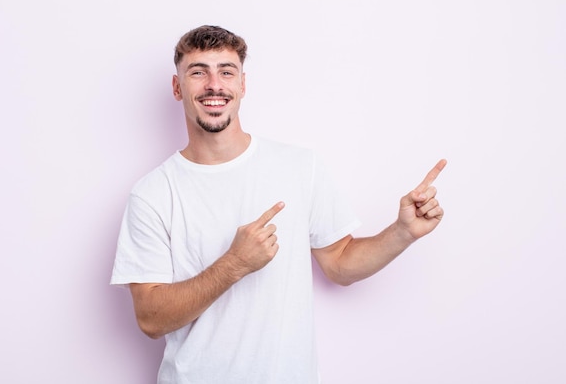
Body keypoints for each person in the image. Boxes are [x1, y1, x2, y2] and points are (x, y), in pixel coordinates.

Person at [110, 25, 446, 384]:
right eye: (198, 72)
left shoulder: (300, 166)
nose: (214, 85)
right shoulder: (153, 193)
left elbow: (340, 264)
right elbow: (150, 318)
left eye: (226, 71)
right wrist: (235, 263)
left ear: (242, 85)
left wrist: (402, 233)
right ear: (178, 88)